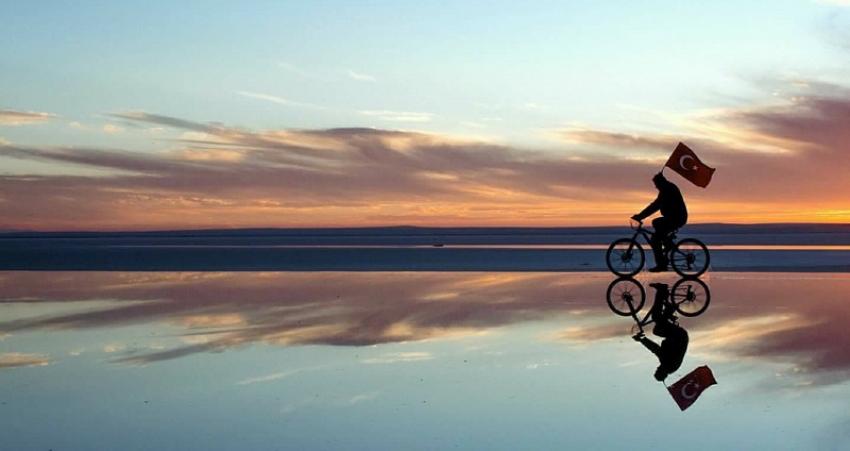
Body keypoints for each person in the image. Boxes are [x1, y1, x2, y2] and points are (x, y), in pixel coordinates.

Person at [632, 172, 688, 272]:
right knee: (657, 224)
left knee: (655, 239)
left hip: (677, 218)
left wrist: (640, 216)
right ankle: (667, 243)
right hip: (675, 217)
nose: (656, 187)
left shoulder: (667, 190)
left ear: (660, 183)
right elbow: (656, 204)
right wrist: (641, 216)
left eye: (656, 185)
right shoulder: (667, 188)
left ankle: (661, 264)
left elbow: (655, 205)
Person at [633, 283, 689, 381]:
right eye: (657, 370)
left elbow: (657, 350)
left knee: (657, 330)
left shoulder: (669, 367)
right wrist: (642, 339)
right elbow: (655, 349)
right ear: (661, 372)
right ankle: (661, 291)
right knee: (656, 317)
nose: (657, 368)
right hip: (678, 336)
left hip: (678, 336)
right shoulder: (667, 364)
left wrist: (643, 339)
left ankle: (667, 308)